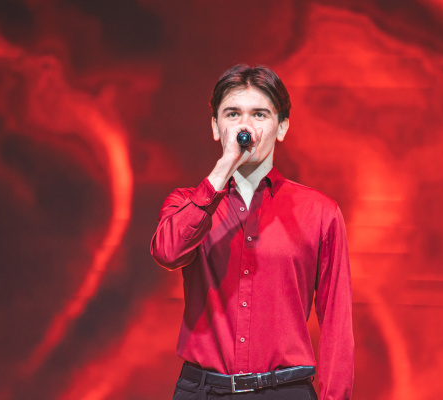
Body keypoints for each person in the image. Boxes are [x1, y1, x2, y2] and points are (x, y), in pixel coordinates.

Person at [150, 64, 353, 399]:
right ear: (215, 127)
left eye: (259, 114)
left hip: (284, 390)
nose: (245, 126)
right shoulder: (186, 203)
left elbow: (337, 320)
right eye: (232, 114)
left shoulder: (320, 212)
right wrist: (222, 170)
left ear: (282, 127)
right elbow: (168, 253)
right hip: (203, 390)